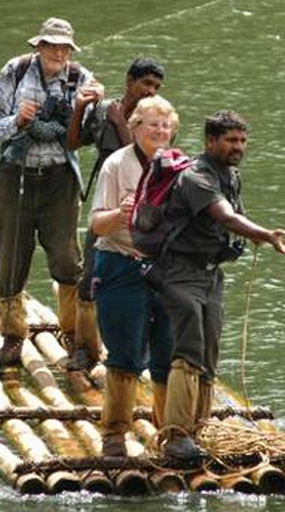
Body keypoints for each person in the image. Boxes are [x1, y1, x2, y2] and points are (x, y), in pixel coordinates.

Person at [156, 110, 285, 459]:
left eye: (243, 140)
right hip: (179, 272)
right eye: (231, 140)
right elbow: (226, 217)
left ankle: (197, 428)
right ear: (210, 141)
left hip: (210, 273)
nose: (239, 147)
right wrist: (265, 235)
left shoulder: (230, 175)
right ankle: (175, 436)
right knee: (189, 350)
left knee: (209, 351)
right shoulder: (195, 178)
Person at [0, 17, 104, 366]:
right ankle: (11, 337)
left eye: (64, 47)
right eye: (51, 45)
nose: (57, 52)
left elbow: (91, 136)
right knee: (8, 256)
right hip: (15, 176)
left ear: (71, 50)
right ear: (38, 46)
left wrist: (94, 104)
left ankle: (76, 336)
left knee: (68, 260)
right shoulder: (15, 71)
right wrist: (18, 121)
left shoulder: (81, 79)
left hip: (60, 180)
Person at [63, 57, 166, 372]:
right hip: (108, 206)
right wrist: (81, 107)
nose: (150, 91)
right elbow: (73, 142)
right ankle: (84, 349)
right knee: (89, 280)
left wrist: (120, 122)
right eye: (145, 83)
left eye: (156, 87)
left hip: (145, 210)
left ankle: (140, 352)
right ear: (129, 80)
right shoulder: (104, 109)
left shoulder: (157, 118)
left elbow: (141, 154)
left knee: (145, 281)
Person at [89, 96, 178, 456]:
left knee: (169, 353)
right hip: (120, 263)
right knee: (125, 354)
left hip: (167, 268)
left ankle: (171, 432)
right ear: (135, 127)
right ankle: (114, 434)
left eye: (165, 125)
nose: (159, 131)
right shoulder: (115, 165)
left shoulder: (180, 167)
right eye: (152, 124)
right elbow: (97, 225)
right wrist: (119, 213)